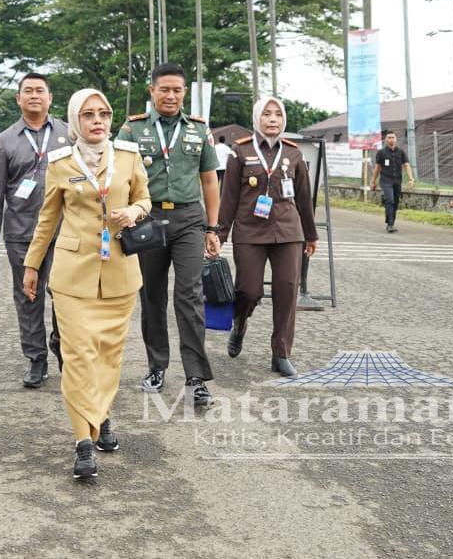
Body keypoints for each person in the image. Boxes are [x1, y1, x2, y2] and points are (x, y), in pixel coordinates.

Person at [22, 88, 150, 479]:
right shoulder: (61, 162)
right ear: (75, 120)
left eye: (104, 114)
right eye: (89, 115)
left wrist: (134, 211)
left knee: (108, 355)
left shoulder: (128, 156)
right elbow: (47, 219)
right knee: (78, 356)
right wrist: (31, 265)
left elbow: (146, 199)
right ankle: (83, 442)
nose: (97, 121)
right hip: (72, 275)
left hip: (119, 273)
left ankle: (102, 415)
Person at [115, 62, 220, 405]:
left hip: (189, 219)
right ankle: (156, 365)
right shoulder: (132, 130)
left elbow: (209, 180)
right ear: (152, 91)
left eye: (177, 90)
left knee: (189, 294)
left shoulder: (199, 130)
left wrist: (212, 227)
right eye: (164, 89)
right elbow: (119, 178)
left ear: (184, 92)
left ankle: (196, 377)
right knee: (152, 295)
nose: (171, 96)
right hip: (147, 216)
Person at [0, 72, 72, 387]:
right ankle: (36, 358)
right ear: (18, 99)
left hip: (63, 232)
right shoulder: (5, 141)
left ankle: (62, 345)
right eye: (27, 91)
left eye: (40, 90)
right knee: (28, 296)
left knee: (65, 293)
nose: (34, 95)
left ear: (50, 98)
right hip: (21, 232)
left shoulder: (68, 134)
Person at [219, 97, 318, 378]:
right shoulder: (240, 151)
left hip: (288, 231)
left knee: (287, 290)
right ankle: (240, 323)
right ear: (257, 118)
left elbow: (304, 198)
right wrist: (219, 234)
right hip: (249, 231)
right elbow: (229, 197)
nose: (272, 119)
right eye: (266, 114)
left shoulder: (293, 153)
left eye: (277, 114)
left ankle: (281, 353)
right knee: (248, 290)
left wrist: (310, 235)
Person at [370, 130, 415, 233]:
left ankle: (391, 222)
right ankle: (390, 224)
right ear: (386, 140)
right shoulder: (381, 153)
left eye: (393, 137)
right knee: (389, 200)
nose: (391, 139)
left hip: (397, 181)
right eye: (389, 137)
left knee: (395, 202)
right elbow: (377, 168)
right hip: (386, 181)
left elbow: (406, 165)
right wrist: (373, 181)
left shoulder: (401, 152)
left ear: (396, 139)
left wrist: (411, 179)